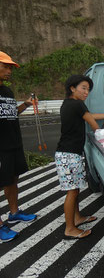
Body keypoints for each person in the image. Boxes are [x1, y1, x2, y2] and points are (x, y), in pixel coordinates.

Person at [55, 74, 104, 240]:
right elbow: (93, 124)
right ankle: (69, 228)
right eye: (83, 88)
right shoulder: (77, 104)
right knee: (71, 192)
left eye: (88, 90)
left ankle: (77, 218)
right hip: (69, 154)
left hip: (67, 153)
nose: (86, 92)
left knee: (74, 190)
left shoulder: (69, 104)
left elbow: (89, 115)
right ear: (72, 88)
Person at [0, 51, 38, 243]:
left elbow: (10, 113)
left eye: (11, 68)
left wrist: (25, 105)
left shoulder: (6, 91)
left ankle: (14, 212)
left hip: (13, 145)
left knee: (12, 179)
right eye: (5, 67)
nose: (9, 71)